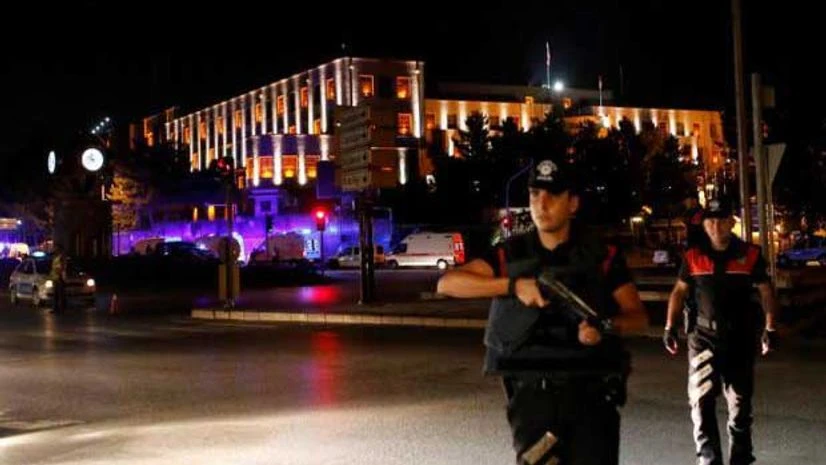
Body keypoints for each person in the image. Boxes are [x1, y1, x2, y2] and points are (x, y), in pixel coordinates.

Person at [437, 158, 648, 465]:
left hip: (591, 397)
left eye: (552, 195)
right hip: (532, 400)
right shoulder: (510, 253)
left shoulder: (602, 255)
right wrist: (513, 286)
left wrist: (606, 327)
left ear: (572, 203)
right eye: (535, 194)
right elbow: (448, 283)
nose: (541, 203)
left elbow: (638, 318)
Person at [664, 196, 778, 465]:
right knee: (701, 401)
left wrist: (770, 327)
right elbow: (679, 292)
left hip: (739, 338)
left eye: (721, 220)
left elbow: (766, 292)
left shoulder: (749, 254)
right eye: (710, 220)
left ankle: (740, 458)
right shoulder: (693, 256)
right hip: (703, 339)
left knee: (739, 405)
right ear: (704, 224)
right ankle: (708, 459)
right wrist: (670, 327)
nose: (715, 226)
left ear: (731, 223)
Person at [49, 245, 67, 314]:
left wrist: (60, 276)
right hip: (55, 278)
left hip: (59, 278)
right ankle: (56, 308)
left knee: (60, 294)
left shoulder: (61, 257)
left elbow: (62, 268)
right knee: (56, 294)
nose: (54, 250)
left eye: (55, 249)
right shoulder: (55, 257)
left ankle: (61, 309)